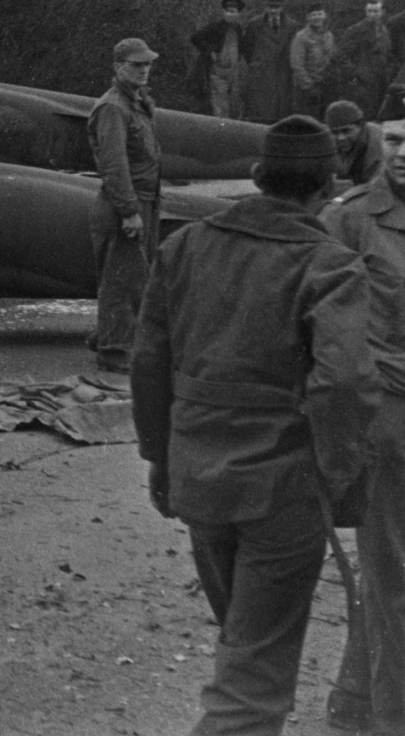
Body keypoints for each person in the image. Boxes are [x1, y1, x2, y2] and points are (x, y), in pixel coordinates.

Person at [132, 115, 380, 736]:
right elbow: (343, 381)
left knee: (243, 636)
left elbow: (147, 362)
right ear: (327, 189)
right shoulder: (332, 264)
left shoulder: (183, 245)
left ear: (254, 176)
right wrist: (337, 470)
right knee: (254, 676)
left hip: (197, 477)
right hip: (282, 486)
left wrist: (160, 457)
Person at [320, 116, 405, 736]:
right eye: (398, 140)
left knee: (389, 576)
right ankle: (387, 718)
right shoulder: (350, 218)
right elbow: (320, 322)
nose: (404, 155)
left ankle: (354, 702)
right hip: (386, 419)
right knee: (393, 574)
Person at [86, 37, 161, 374]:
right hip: (123, 205)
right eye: (136, 64)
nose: (144, 70)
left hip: (143, 200)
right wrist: (129, 211)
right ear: (118, 68)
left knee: (133, 276)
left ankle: (107, 336)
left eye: (147, 64)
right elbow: (114, 165)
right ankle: (114, 352)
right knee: (121, 281)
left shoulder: (137, 102)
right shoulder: (114, 107)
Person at [189, 0, 253, 119]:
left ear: (238, 14)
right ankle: (221, 132)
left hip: (234, 73)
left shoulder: (239, 29)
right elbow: (196, 37)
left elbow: (244, 49)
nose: (229, 14)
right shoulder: (215, 27)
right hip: (218, 72)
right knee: (220, 106)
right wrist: (209, 52)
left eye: (233, 12)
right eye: (227, 11)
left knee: (235, 105)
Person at [244, 0, 298, 123]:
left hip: (282, 73)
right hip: (261, 73)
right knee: (260, 110)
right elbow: (247, 48)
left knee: (280, 110)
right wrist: (258, 63)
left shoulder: (292, 26)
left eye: (277, 7)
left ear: (282, 7)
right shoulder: (255, 24)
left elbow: (293, 49)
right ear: (266, 6)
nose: (273, 10)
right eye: (270, 6)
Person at [337, 0, 394, 120]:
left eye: (376, 11)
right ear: (365, 11)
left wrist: (387, 73)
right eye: (369, 11)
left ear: (382, 12)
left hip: (380, 82)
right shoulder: (354, 31)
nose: (372, 14)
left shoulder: (384, 31)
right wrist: (358, 73)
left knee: (378, 117)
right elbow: (342, 57)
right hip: (361, 85)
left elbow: (388, 55)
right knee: (362, 117)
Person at [290, 4, 337, 119]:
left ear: (325, 16)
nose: (317, 17)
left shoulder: (329, 36)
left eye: (320, 14)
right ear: (308, 17)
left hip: (326, 86)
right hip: (307, 90)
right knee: (308, 123)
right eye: (313, 14)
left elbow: (334, 59)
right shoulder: (301, 37)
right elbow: (296, 64)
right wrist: (309, 86)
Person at [326, 100, 386, 188]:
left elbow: (376, 188)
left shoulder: (376, 143)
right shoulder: (328, 140)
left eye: (346, 131)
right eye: (335, 132)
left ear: (360, 125)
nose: (340, 138)